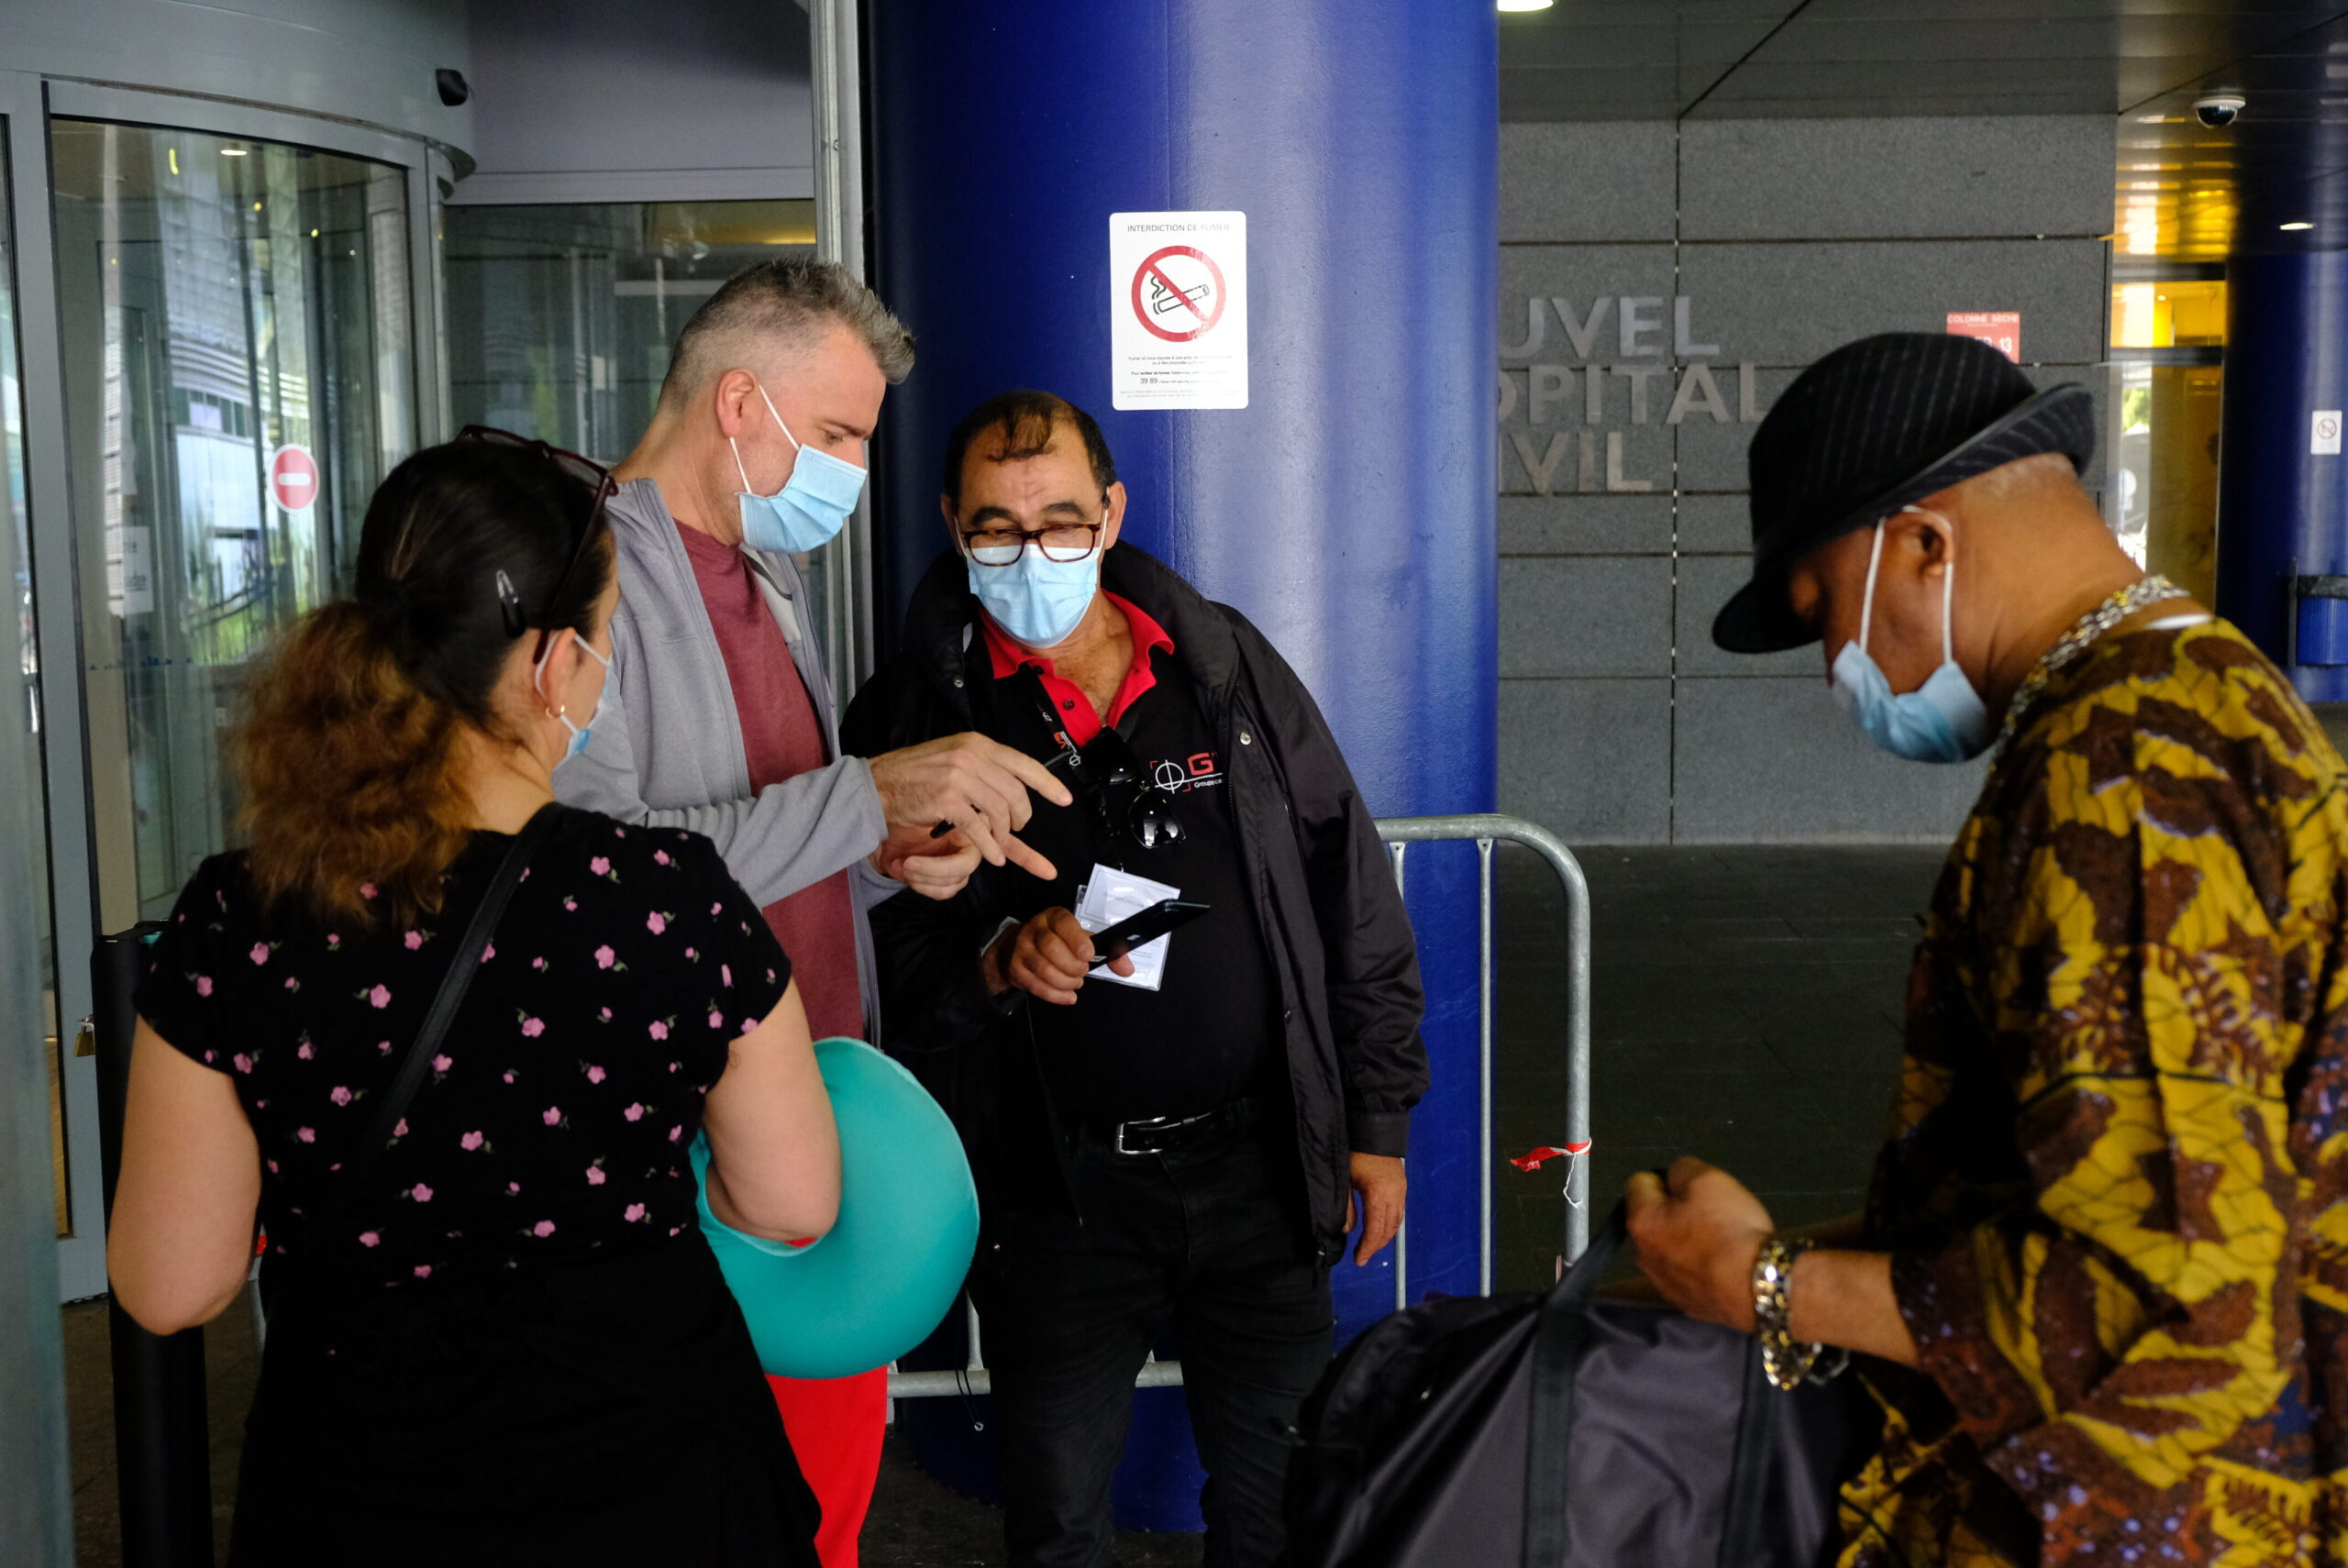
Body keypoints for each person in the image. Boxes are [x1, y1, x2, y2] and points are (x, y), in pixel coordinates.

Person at [1624, 332, 2348, 1567]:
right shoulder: (2201, 695)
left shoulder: (2123, 776)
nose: (1834, 667)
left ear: (1925, 539)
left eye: (1821, 609)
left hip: (2135, 1517)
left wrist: (1767, 1283)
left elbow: (2152, 1286)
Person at [106, 433, 839, 1566]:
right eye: (605, 645)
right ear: (551, 665)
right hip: (666, 1488)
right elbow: (791, 1200)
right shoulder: (665, 902)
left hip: (354, 1495)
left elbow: (170, 1286)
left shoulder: (240, 918)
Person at [842, 390, 1429, 1568]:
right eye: (997, 531)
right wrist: (995, 961)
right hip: (1054, 1194)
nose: (1032, 554)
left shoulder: (1221, 665)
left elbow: (1344, 880)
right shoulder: (913, 711)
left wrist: (1375, 1120)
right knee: (1056, 1520)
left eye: (1060, 522)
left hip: (1261, 1166)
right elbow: (875, 954)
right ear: (954, 526)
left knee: (1281, 1509)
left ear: (1110, 514)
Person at [553, 259, 1069, 1566]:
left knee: (821, 1516)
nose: (848, 468)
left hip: (815, 1118)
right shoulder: (585, 580)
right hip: (677, 1165)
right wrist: (861, 794)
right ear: (740, 402)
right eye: (836, 433)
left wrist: (884, 848)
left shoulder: (769, 578)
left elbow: (785, 839)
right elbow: (597, 880)